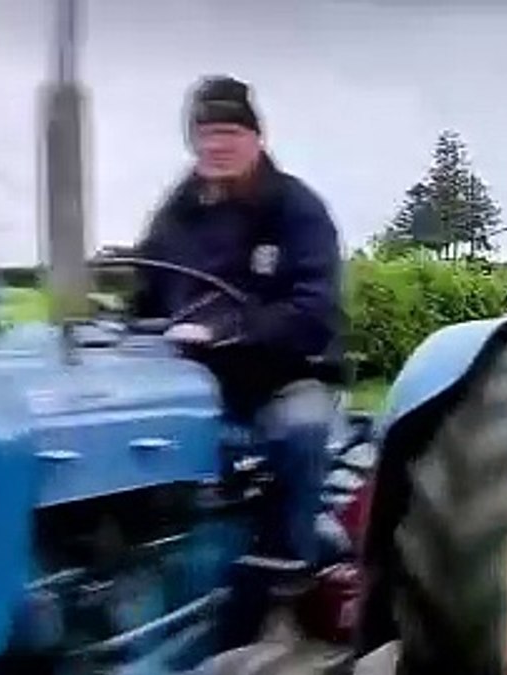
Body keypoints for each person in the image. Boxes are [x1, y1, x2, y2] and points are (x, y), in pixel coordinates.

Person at [130, 75, 349, 569]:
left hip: (280, 377)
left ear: (255, 137)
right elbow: (146, 294)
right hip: (188, 382)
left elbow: (315, 311)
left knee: (300, 430)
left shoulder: (296, 209)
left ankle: (288, 578)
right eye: (207, 133)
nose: (218, 145)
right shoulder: (174, 215)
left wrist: (225, 331)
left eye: (230, 132)